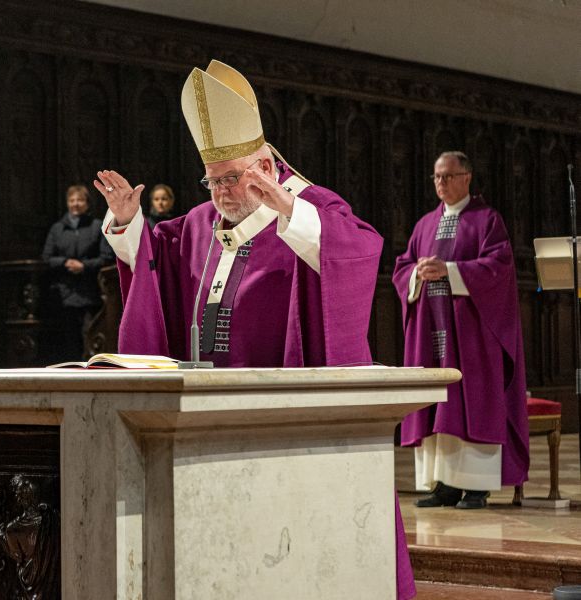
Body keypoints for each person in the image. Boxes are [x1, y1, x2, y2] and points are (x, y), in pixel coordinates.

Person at [94, 60, 414, 599]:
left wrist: (291, 210)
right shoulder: (198, 223)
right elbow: (155, 261)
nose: (220, 190)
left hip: (284, 420)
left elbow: (360, 247)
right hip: (204, 419)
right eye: (212, 179)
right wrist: (128, 225)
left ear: (264, 165)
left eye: (232, 178)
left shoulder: (309, 208)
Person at [394, 151, 529, 510]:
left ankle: (476, 486)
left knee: (472, 401)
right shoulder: (424, 224)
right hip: (432, 329)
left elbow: (498, 267)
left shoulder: (487, 220)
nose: (441, 183)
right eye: (437, 177)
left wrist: (451, 271)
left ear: (467, 177)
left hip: (471, 336)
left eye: (448, 176)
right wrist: (415, 275)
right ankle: (445, 485)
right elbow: (402, 265)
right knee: (438, 401)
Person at [40, 184, 113, 362]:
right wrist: (65, 263)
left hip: (89, 293)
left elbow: (106, 257)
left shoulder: (97, 226)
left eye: (80, 200)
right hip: (63, 294)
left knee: (89, 335)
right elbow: (47, 258)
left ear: (87, 203)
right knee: (67, 339)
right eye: (72, 200)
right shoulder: (58, 229)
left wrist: (84, 266)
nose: (76, 204)